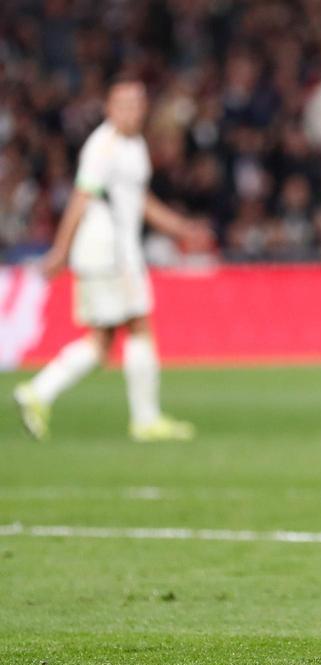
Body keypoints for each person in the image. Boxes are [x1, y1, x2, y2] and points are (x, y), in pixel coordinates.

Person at [13, 80, 211, 442]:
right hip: (107, 254)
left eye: (137, 104)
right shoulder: (102, 148)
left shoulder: (132, 145)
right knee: (139, 328)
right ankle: (145, 419)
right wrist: (60, 251)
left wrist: (179, 227)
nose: (132, 111)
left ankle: (39, 392)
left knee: (102, 342)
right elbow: (80, 199)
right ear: (109, 109)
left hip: (117, 252)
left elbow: (140, 200)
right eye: (124, 105)